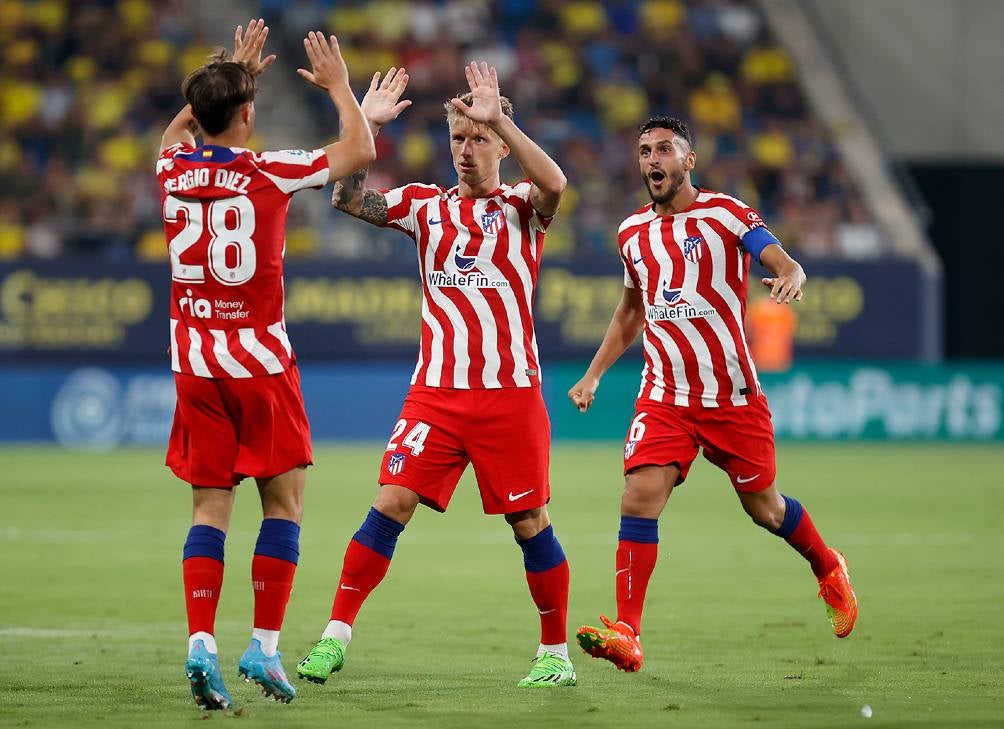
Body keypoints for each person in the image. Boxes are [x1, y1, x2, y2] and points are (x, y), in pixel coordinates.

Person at [296, 62, 576, 688]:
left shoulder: (521, 209)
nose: (466, 150)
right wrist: (362, 125)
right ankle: (334, 636)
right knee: (389, 502)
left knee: (530, 523)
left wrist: (499, 114)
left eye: (479, 139)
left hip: (510, 395)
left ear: (502, 145)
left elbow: (555, 183)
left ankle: (554, 654)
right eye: (459, 138)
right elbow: (346, 198)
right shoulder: (425, 205)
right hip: (437, 396)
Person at [567, 116, 858, 673]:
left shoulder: (726, 214)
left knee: (765, 509)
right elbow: (632, 312)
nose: (652, 160)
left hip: (731, 397)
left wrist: (792, 273)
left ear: (689, 160)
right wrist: (595, 372)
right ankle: (628, 631)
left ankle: (828, 567)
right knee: (638, 496)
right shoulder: (632, 233)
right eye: (644, 151)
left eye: (664, 150)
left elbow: (778, 257)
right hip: (665, 395)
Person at [157, 21, 374, 708]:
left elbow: (177, 131)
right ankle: (265, 645)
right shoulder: (268, 169)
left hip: (194, 364)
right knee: (283, 503)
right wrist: (340, 88)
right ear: (248, 114)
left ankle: (200, 644)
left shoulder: (172, 169)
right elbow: (360, 147)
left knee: (208, 506)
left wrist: (227, 75)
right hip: (259, 362)